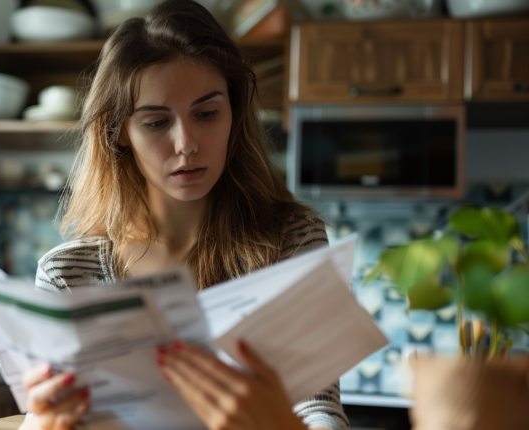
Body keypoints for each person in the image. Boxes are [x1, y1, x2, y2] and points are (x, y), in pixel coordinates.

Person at [21, 0, 348, 429]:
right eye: (157, 122)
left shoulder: (291, 239)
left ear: (234, 113)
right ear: (118, 132)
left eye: (207, 113)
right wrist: (41, 422)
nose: (186, 143)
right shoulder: (66, 275)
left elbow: (318, 407)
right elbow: (47, 414)